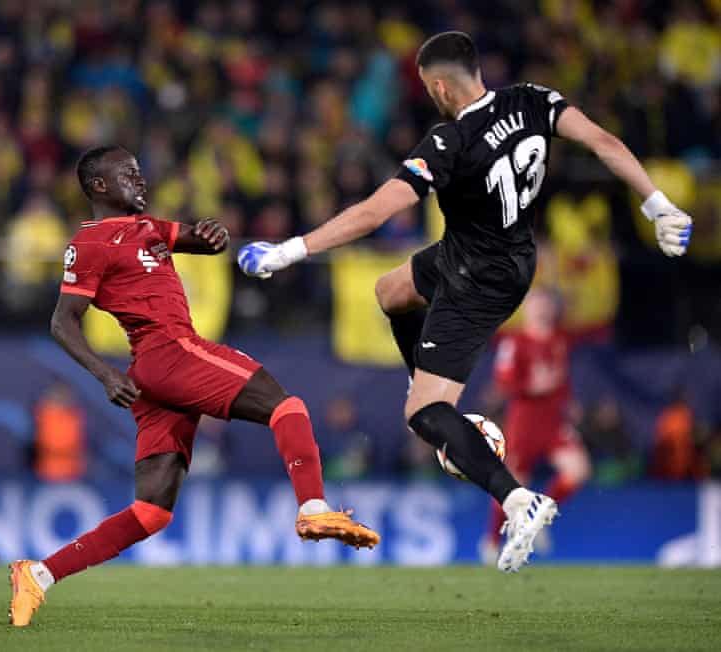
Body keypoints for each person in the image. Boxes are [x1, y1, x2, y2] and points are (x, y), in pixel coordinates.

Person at [238, 31, 693, 572]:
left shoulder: (448, 142)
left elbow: (375, 213)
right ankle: (427, 389)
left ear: (438, 86)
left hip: (480, 278)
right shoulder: (533, 99)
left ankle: (518, 501)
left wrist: (291, 250)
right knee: (391, 290)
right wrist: (657, 204)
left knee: (425, 414)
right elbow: (605, 143)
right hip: (498, 252)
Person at [8, 145, 379, 627]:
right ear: (99, 186)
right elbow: (63, 322)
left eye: (140, 173)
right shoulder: (92, 243)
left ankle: (38, 573)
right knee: (286, 406)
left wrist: (212, 236)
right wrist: (105, 374)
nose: (140, 181)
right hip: (169, 352)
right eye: (128, 174)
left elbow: (200, 241)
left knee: (151, 511)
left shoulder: (149, 228)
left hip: (156, 374)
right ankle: (313, 506)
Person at [481, 287, 591, 564]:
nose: (541, 309)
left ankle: (537, 516)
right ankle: (492, 541)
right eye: (535, 304)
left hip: (553, 421)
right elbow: (503, 383)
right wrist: (531, 385)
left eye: (545, 304)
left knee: (579, 469)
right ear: (526, 309)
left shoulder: (559, 340)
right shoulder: (514, 341)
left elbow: (561, 380)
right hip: (525, 423)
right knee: (514, 486)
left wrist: (570, 402)